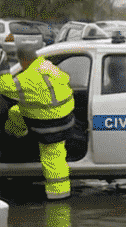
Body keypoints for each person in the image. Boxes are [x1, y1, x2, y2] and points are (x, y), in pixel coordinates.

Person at [0, 36, 75, 200]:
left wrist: (3, 66)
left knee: (53, 158)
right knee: (16, 111)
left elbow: (4, 88)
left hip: (50, 127)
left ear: (22, 60)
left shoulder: (25, 80)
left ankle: (59, 194)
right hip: (67, 119)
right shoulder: (48, 66)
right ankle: (19, 133)